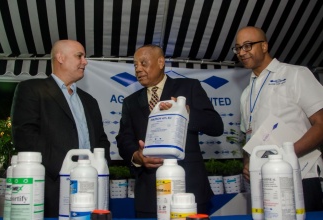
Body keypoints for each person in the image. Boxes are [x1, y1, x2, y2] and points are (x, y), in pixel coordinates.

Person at [116, 44, 224, 217]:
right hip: (149, 195)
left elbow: (216, 126)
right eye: (135, 65)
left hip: (190, 190)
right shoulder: (130, 102)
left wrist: (187, 113)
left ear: (160, 62)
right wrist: (136, 156)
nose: (138, 69)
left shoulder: (189, 87)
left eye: (143, 63)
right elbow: (124, 140)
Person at [11, 40, 111, 217]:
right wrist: (67, 171)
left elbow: (101, 140)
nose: (85, 62)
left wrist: (98, 170)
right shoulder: (32, 89)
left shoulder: (90, 101)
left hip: (92, 187)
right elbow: (25, 136)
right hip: (52, 187)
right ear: (60, 58)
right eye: (79, 56)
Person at [233, 26, 323, 211]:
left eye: (248, 46)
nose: (242, 52)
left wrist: (284, 156)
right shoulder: (246, 93)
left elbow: (321, 123)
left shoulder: (296, 74)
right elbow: (247, 135)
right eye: (238, 48)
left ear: (264, 46)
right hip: (265, 182)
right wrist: (248, 163)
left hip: (302, 175)